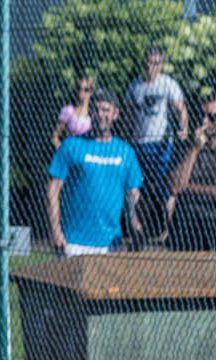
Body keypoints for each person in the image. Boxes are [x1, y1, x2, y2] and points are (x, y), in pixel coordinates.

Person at [46, 88, 144, 256]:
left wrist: (137, 233)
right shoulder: (71, 145)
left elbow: (134, 197)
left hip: (111, 246)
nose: (100, 114)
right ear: (90, 112)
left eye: (106, 110)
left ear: (115, 113)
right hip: (73, 243)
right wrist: (55, 231)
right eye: (96, 109)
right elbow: (52, 190)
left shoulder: (126, 153)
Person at [123, 46, 188, 239]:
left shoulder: (168, 84)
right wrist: (127, 141)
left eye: (156, 63)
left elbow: (181, 109)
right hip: (140, 144)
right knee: (138, 187)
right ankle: (138, 231)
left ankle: (169, 231)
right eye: (149, 62)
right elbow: (128, 115)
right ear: (144, 63)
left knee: (165, 188)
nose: (152, 66)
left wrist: (183, 128)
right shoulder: (135, 86)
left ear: (161, 64)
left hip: (162, 145)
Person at [165, 93, 216, 251]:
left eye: (212, 117)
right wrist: (194, 149)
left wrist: (187, 187)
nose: (204, 121)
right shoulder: (186, 146)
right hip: (184, 228)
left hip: (215, 227)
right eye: (201, 115)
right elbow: (174, 187)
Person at [51, 73, 95, 149]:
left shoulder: (94, 114)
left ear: (91, 92)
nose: (81, 92)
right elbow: (55, 137)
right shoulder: (68, 111)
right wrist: (64, 152)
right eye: (79, 88)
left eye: (86, 89)